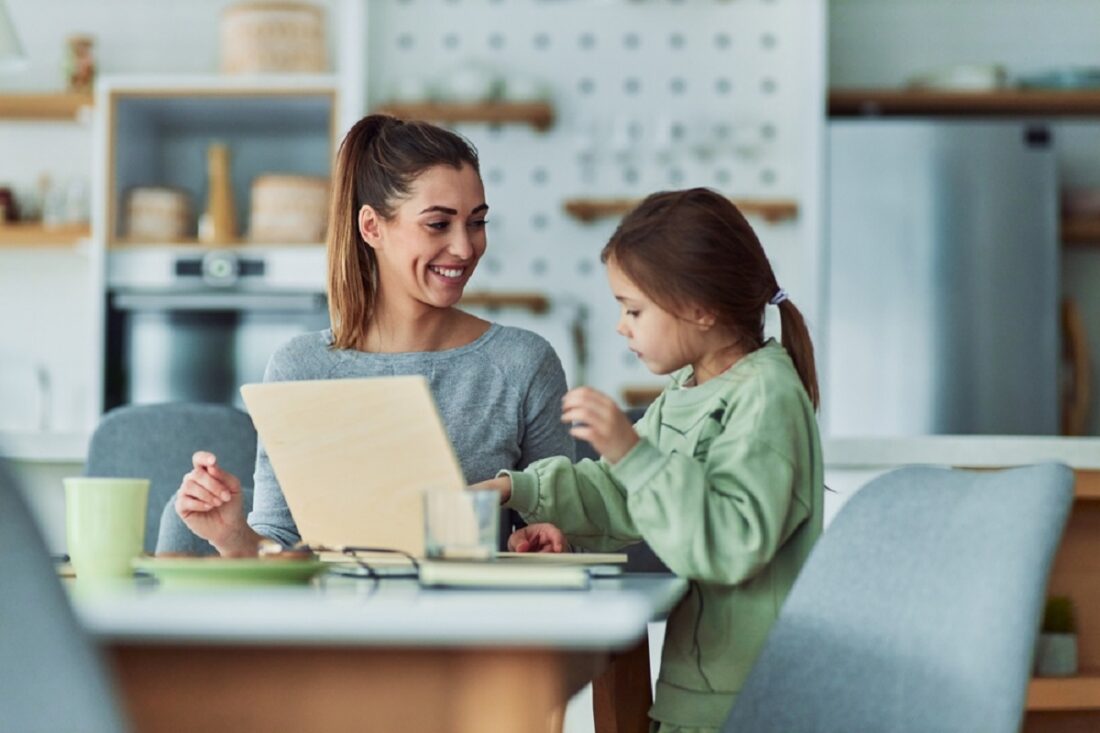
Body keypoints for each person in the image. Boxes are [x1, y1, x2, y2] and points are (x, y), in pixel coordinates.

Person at [473, 187, 825, 732]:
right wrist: (520, 490)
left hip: (749, 703)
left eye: (633, 309)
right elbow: (619, 494)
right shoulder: (691, 390)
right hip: (699, 691)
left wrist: (631, 452)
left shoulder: (767, 397)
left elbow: (729, 543)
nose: (622, 326)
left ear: (699, 308)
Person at [173, 114, 573, 556]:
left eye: (476, 223)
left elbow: (568, 532)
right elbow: (282, 549)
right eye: (439, 224)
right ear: (372, 227)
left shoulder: (523, 363)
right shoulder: (300, 367)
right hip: (334, 622)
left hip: (469, 621)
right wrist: (231, 534)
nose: (464, 248)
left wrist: (543, 543)